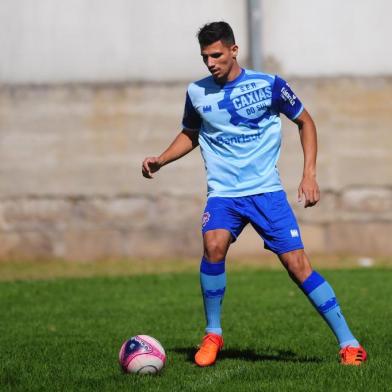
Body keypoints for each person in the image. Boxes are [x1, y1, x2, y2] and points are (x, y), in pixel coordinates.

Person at [142, 21, 367, 367]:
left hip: (267, 193)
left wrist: (309, 175)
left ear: (234, 51)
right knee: (213, 245)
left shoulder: (269, 85)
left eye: (216, 55)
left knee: (298, 266)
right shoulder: (197, 92)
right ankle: (213, 333)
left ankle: (349, 343)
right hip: (224, 195)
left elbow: (306, 122)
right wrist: (161, 160)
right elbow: (191, 133)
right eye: (204, 57)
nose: (210, 63)